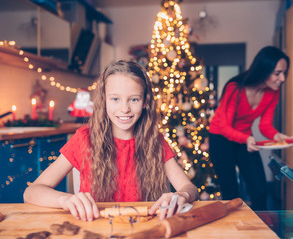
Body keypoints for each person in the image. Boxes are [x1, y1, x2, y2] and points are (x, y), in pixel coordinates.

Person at [24, 60, 198, 221]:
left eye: (134, 99)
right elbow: (31, 192)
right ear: (104, 101)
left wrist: (181, 195)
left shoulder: (156, 141)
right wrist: (65, 200)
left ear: (145, 101)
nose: (125, 109)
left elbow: (189, 188)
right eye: (115, 99)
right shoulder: (84, 139)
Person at [209, 46, 291, 210]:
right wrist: (246, 139)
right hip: (221, 138)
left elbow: (265, 125)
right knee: (231, 192)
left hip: (245, 138)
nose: (282, 78)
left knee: (259, 190)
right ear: (264, 70)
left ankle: (259, 231)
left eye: (284, 73)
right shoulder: (235, 88)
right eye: (277, 73)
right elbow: (224, 126)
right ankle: (233, 231)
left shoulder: (273, 92)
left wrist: (276, 136)